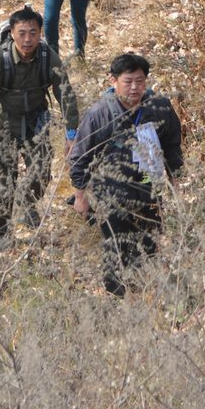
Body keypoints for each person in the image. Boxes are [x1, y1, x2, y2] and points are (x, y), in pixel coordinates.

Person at [68, 53, 182, 295]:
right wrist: (80, 195)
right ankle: (116, 301)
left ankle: (145, 300)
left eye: (140, 81)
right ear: (113, 80)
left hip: (150, 190)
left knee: (149, 248)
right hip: (112, 194)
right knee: (117, 251)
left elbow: (172, 145)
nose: (134, 88)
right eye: (128, 81)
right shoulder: (99, 114)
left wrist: (175, 182)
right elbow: (79, 158)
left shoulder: (159, 107)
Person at [0, 5, 79, 246]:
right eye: (22, 33)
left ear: (41, 32)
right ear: (12, 33)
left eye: (33, 32)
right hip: (6, 124)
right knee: (3, 179)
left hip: (36, 122)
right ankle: (1, 231)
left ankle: (28, 203)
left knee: (41, 173)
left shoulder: (47, 57)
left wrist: (71, 133)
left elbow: (66, 95)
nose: (28, 39)